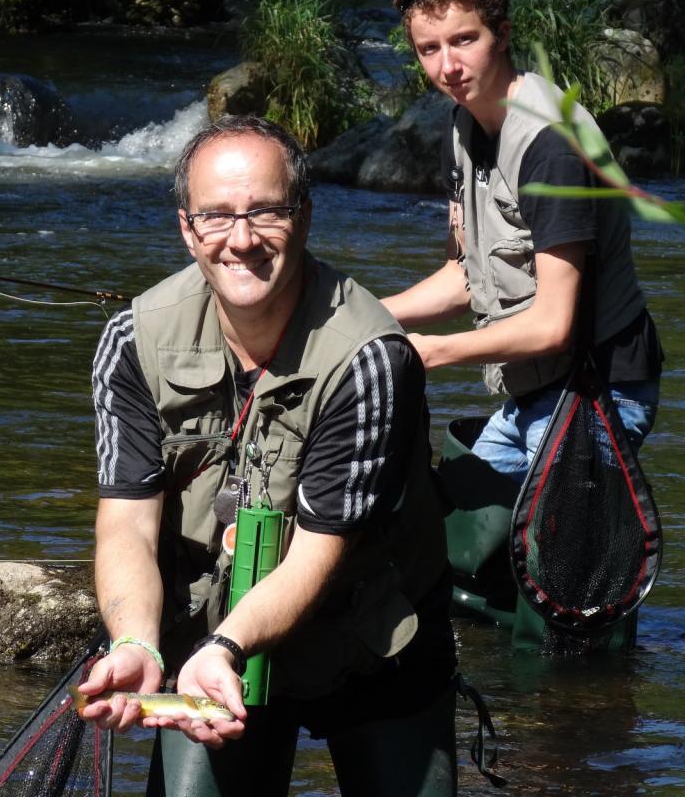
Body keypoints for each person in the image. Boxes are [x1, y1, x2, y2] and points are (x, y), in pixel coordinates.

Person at [80, 115, 457, 797]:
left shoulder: (371, 358)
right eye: (217, 216)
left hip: (373, 640)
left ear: (306, 217)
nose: (242, 239)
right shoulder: (131, 343)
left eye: (267, 212)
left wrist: (225, 647)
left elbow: (320, 551)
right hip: (211, 649)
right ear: (187, 228)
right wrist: (136, 643)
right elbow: (127, 524)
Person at [382, 0, 663, 490]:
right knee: (456, 534)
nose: (448, 67)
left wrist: (431, 351)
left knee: (550, 563)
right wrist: (367, 316)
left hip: (599, 394)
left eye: (465, 40)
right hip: (535, 391)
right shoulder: (463, 125)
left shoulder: (549, 144)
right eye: (429, 49)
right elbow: (466, 277)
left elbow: (554, 324)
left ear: (502, 34)